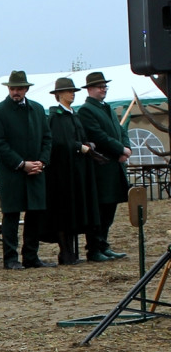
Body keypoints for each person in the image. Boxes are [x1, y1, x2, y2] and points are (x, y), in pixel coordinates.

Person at [0, 71, 54, 270]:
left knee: (35, 215)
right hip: (12, 173)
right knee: (11, 215)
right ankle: (10, 258)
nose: (15, 92)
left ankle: (31, 257)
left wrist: (41, 162)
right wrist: (21, 163)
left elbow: (47, 138)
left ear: (26, 89)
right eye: (12, 88)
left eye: (19, 88)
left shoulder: (37, 109)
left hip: (36, 172)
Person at [42, 78, 100, 265]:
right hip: (61, 173)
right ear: (59, 94)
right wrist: (77, 146)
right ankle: (65, 251)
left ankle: (73, 250)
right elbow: (57, 142)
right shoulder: (55, 117)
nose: (72, 94)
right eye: (68, 91)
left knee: (76, 210)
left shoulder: (74, 115)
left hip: (77, 171)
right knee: (63, 212)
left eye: (73, 91)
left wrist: (87, 145)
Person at [77, 71, 131, 262]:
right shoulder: (86, 110)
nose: (103, 89)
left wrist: (127, 148)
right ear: (90, 89)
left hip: (115, 167)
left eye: (104, 86)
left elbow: (121, 131)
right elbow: (99, 136)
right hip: (101, 168)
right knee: (99, 210)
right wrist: (120, 150)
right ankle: (94, 248)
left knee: (110, 210)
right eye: (100, 87)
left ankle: (104, 245)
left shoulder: (106, 108)